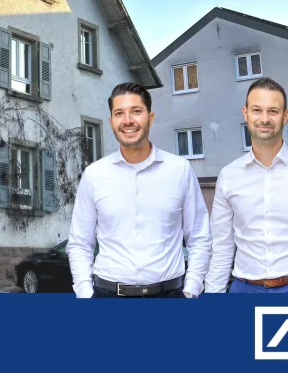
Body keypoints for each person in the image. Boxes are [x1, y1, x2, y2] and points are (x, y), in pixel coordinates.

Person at [67, 82, 212, 298]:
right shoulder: (94, 175)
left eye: (136, 111)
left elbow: (200, 237)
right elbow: (80, 243)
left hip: (169, 296)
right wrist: (85, 293)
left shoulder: (180, 171)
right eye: (119, 113)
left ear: (150, 118)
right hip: (107, 296)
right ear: (111, 122)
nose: (128, 121)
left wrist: (191, 289)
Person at [205, 77, 288, 294]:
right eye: (257, 110)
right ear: (245, 113)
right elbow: (221, 247)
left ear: (285, 116)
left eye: (273, 111)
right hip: (245, 290)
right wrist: (213, 295)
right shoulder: (228, 176)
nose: (265, 119)